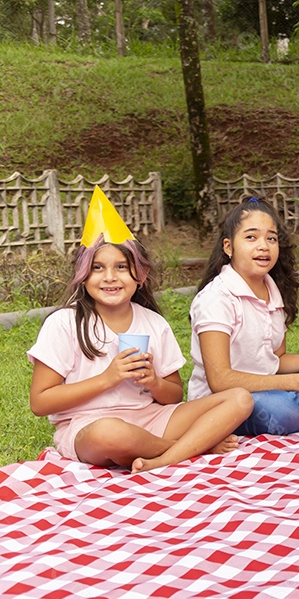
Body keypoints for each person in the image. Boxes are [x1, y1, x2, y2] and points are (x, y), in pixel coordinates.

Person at [28, 186, 253, 473]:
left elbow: (172, 396)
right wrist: (109, 378)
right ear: (83, 276)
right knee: (110, 433)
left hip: (151, 417)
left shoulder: (153, 323)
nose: (110, 277)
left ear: (141, 275)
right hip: (88, 425)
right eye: (97, 268)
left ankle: (164, 454)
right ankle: (192, 447)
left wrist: (153, 382)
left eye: (122, 267)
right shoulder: (64, 323)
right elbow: (40, 401)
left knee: (239, 398)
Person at [189, 198, 299, 436]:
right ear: (228, 247)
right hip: (227, 401)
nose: (263, 246)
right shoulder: (217, 298)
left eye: (271, 238)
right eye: (251, 237)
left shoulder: (274, 290)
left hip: (272, 387)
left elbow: (276, 360)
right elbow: (220, 380)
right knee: (284, 410)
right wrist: (298, 383)